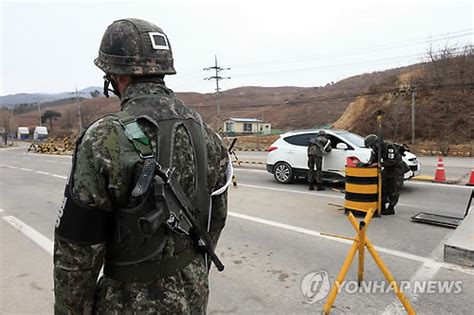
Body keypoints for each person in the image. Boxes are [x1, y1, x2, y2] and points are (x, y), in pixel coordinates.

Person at [53, 18, 230, 314]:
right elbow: (216, 219)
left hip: (126, 303)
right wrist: (191, 277)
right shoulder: (207, 133)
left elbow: (77, 255)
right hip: (193, 296)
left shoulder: (103, 138)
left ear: (113, 75)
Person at [364, 134, 405, 215]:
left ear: (376, 143)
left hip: (396, 169)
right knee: (383, 187)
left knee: (393, 188)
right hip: (387, 169)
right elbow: (373, 159)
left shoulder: (389, 146)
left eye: (372, 146)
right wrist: (368, 165)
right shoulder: (376, 149)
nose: (372, 148)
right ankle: (382, 205)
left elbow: (392, 161)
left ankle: (391, 207)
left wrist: (380, 164)